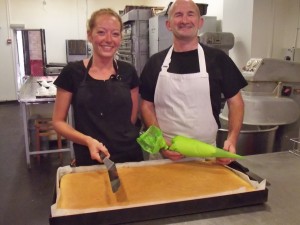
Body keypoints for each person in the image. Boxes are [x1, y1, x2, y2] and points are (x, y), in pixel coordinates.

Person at [139, 0, 247, 164]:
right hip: (164, 154)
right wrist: (160, 144)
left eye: (190, 14)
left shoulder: (218, 59)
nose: (184, 20)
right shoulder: (155, 62)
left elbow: (236, 102)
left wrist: (232, 139)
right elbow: (146, 106)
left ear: (200, 22)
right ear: (168, 24)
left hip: (205, 153)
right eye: (178, 15)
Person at [52, 8, 143, 166]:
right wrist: (87, 140)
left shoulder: (128, 71)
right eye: (101, 32)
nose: (108, 39)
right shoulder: (72, 72)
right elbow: (58, 122)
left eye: (115, 34)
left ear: (120, 38)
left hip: (129, 155)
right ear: (89, 35)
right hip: (91, 156)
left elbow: (131, 118)